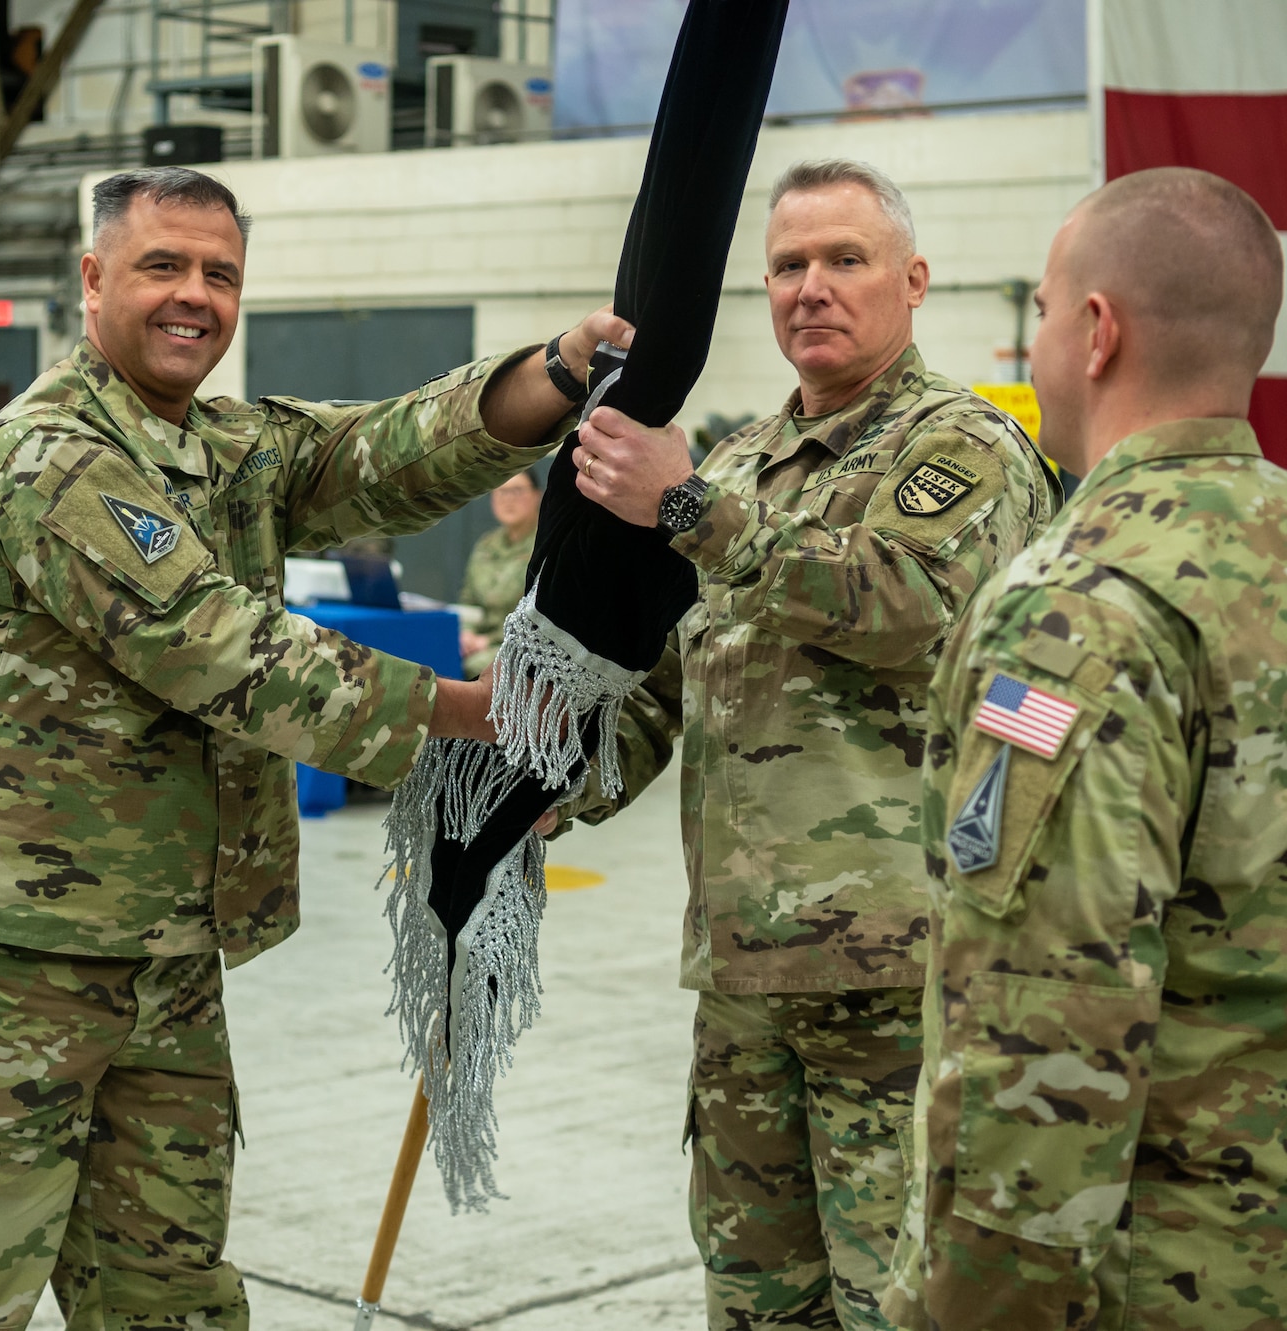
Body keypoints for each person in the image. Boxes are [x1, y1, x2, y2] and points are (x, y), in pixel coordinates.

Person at [0, 166, 627, 1330]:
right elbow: (211, 643)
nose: (194, 295)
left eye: (220, 273)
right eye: (162, 264)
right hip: (0, 966)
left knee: (172, 1297)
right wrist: (474, 711)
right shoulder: (46, 454)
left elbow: (381, 452)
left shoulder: (222, 447)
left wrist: (555, 373)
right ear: (92, 278)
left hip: (164, 961)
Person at [891, 166, 1287, 1329]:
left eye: (1036, 308)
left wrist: (979, 1307)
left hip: (1152, 1288)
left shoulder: (1070, 606)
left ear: (1095, 330)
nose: (1031, 340)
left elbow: (1046, 1005)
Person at [547, 158, 1060, 1329]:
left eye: (845, 259)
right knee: (757, 1301)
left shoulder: (961, 449)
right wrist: (541, 783)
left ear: (914, 280)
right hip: (741, 980)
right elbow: (661, 689)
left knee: (897, 1302)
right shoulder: (732, 465)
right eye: (787, 264)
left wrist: (684, 511)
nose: (810, 288)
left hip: (893, 979)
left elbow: (901, 605)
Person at [457, 468, 540, 676]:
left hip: (524, 649)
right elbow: (468, 601)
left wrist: (489, 640)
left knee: (470, 669)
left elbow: (541, 617)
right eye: (501, 492)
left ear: (537, 495)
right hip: (478, 644)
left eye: (518, 491)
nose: (508, 500)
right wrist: (466, 633)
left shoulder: (545, 547)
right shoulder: (486, 545)